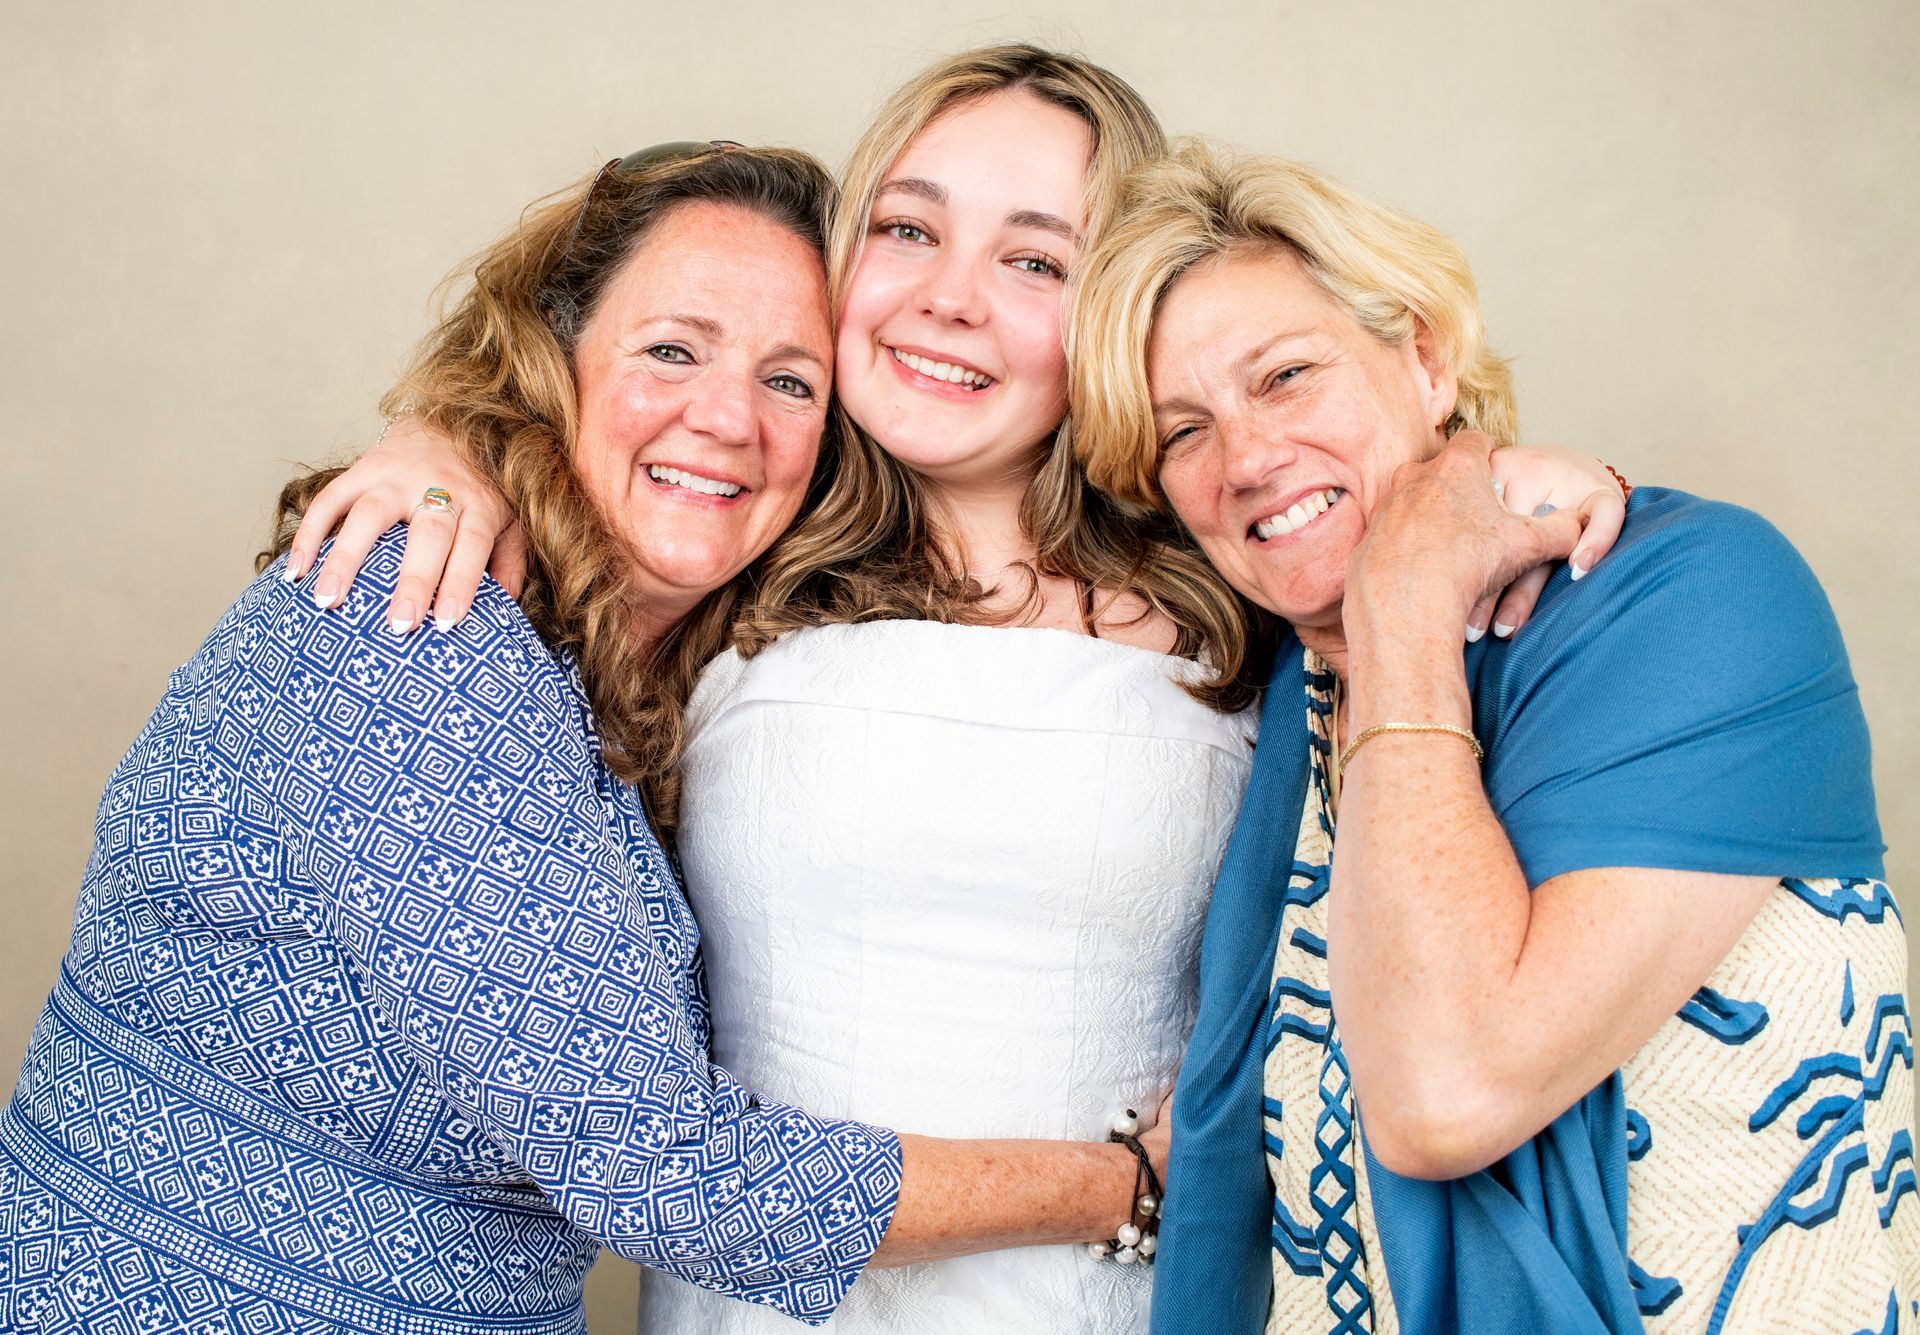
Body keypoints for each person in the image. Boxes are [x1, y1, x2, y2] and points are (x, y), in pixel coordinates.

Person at [291, 46, 1635, 1335]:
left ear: (1116, 314)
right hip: (751, 1299)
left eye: (1036, 259)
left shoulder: (1241, 594)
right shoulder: (725, 562)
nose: (950, 297)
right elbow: (579, 417)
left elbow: (1383, 523)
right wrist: (447, 448)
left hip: (1111, 1304)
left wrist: (1486, 472)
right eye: (908, 229)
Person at [0, 143, 1194, 1335]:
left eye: (791, 381)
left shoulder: (645, 680)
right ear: (550, 360)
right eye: (672, 350)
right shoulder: (418, 619)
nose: (726, 417)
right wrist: (1128, 1185)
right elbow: (667, 1172)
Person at [1069, 140, 1915, 1334]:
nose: (1246, 459)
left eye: (1286, 376)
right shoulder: (1279, 702)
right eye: (1182, 432)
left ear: (1425, 359)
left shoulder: (1703, 595)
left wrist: (1407, 600)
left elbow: (1447, 1097)